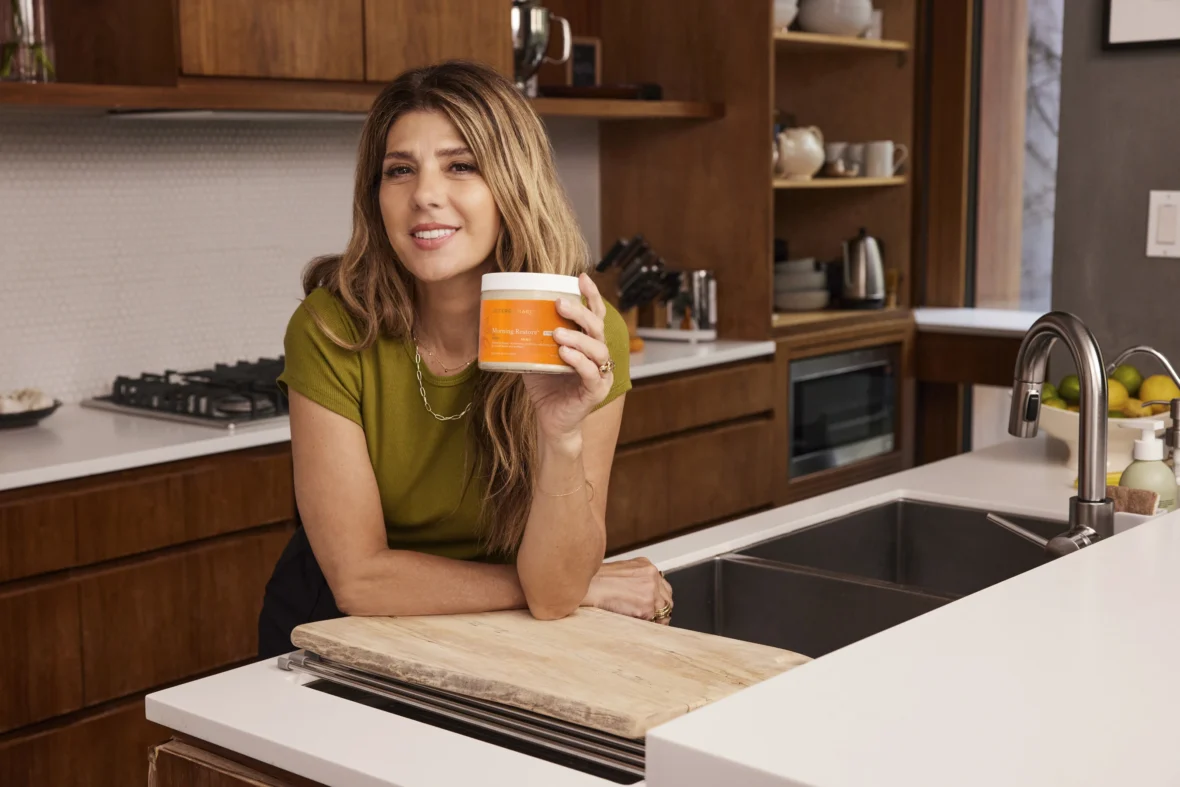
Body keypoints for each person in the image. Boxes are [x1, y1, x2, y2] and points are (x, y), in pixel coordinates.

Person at [257, 60, 673, 658]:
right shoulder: (332, 329)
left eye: (461, 166)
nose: (424, 195)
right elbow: (360, 579)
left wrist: (561, 437)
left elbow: (555, 596)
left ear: (514, 185)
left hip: (501, 638)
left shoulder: (584, 333)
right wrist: (566, 588)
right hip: (333, 634)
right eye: (400, 170)